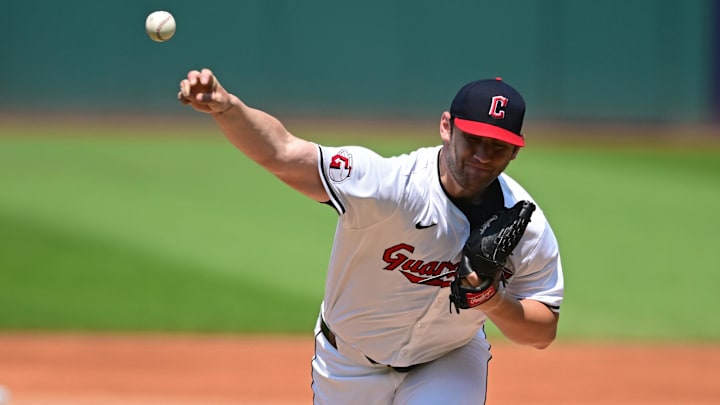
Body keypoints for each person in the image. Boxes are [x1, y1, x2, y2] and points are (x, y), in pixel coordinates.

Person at [178, 69, 564, 405]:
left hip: (449, 360)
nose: (483, 155)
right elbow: (283, 153)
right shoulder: (390, 186)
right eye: (473, 139)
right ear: (446, 127)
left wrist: (493, 302)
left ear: (515, 150)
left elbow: (542, 331)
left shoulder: (525, 226)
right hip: (349, 363)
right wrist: (228, 108)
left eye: (498, 146)